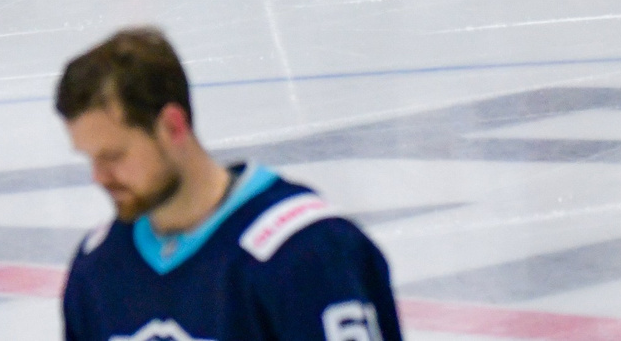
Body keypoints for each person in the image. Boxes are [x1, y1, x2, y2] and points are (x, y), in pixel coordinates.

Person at [57, 27, 403, 341]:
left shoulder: (306, 253)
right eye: (90, 158)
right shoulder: (100, 268)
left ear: (173, 126)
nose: (98, 177)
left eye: (114, 156)